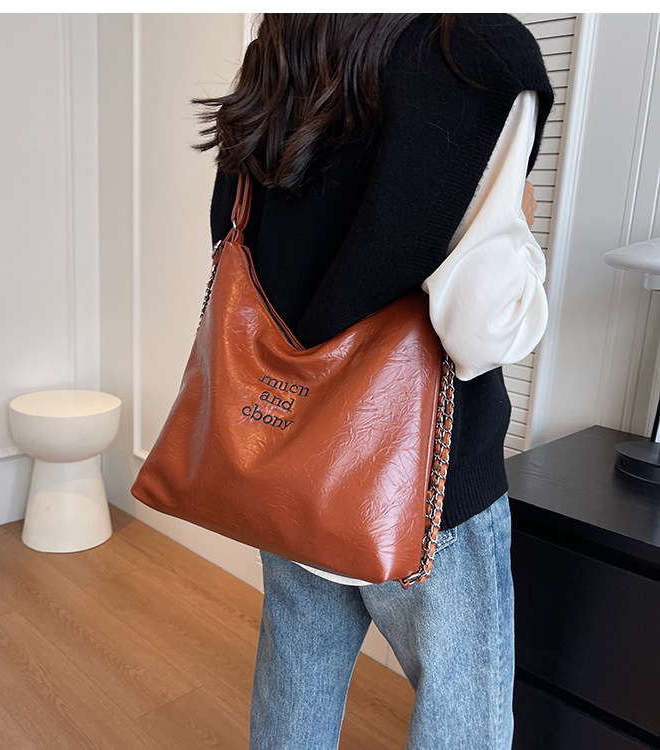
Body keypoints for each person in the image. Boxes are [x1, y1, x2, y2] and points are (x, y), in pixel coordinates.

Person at [196, 13, 554, 749]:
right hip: (426, 491)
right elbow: (481, 330)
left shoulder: (282, 52)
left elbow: (237, 239)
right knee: (464, 726)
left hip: (285, 464)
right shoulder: (474, 54)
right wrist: (519, 226)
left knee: (295, 694)